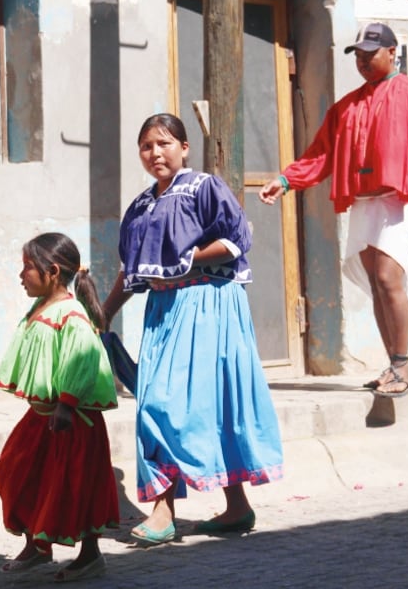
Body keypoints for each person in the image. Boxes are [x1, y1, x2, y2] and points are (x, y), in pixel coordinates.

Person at [101, 113, 284, 545]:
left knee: (172, 404)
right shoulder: (141, 206)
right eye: (146, 146)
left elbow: (238, 238)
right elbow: (132, 267)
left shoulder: (204, 187)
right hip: (165, 311)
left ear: (184, 147)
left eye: (164, 143)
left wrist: (187, 261)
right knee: (165, 401)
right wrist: (104, 312)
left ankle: (164, 511)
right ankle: (236, 507)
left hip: (210, 303)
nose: (155, 153)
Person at [259, 22, 408, 398]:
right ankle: (394, 365)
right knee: (378, 289)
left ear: (393, 52)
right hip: (363, 203)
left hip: (399, 203)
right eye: (358, 56)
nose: (363, 62)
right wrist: (285, 181)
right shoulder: (347, 106)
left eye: (371, 54)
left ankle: (402, 367)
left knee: (388, 279)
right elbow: (321, 154)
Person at [0, 233, 120, 582]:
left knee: (78, 483)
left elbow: (81, 358)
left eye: (27, 269)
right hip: (43, 415)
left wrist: (67, 404)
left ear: (51, 271)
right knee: (16, 471)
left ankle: (90, 555)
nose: (21, 276)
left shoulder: (72, 314)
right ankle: (38, 544)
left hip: (71, 418)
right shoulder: (42, 307)